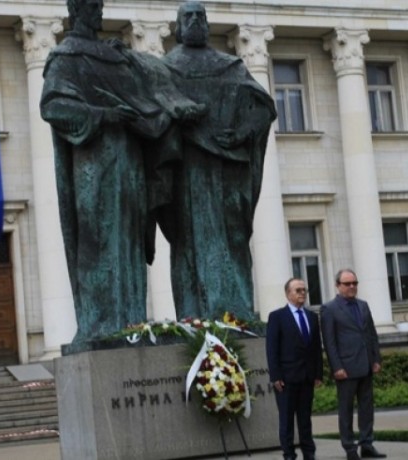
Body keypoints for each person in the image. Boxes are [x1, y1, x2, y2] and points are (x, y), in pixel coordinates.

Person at [40, 0, 200, 350]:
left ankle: (131, 322)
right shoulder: (65, 57)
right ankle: (99, 326)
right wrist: (104, 115)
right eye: (93, 6)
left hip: (128, 160)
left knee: (127, 242)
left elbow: (149, 95)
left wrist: (166, 113)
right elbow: (53, 106)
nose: (99, 12)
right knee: (98, 242)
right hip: (94, 164)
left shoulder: (115, 55)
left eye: (99, 5)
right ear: (77, 11)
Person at [158, 1, 276, 321]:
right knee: (188, 242)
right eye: (188, 17)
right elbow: (155, 113)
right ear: (178, 27)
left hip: (228, 170)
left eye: (200, 17)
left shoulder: (231, 66)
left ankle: (236, 313)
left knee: (232, 238)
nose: (195, 21)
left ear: (207, 25)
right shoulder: (165, 69)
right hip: (187, 168)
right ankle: (195, 314)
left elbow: (263, 109)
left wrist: (240, 134)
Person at [321, 269, 386, 460]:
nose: (352, 287)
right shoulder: (329, 309)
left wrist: (376, 359)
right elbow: (329, 342)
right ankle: (349, 448)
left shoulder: (363, 305)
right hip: (346, 369)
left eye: (354, 283)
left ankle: (367, 444)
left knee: (367, 408)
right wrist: (336, 367)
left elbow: (371, 334)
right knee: (346, 409)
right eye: (347, 284)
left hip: (366, 365)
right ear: (338, 285)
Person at [266, 278, 323, 460]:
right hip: (286, 379)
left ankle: (309, 452)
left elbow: (316, 348)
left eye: (304, 290)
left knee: (305, 419)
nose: (302, 293)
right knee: (287, 419)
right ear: (288, 293)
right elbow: (272, 349)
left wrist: (318, 374)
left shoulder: (312, 317)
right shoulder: (277, 317)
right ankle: (289, 454)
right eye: (298, 290)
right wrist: (276, 376)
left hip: (307, 377)